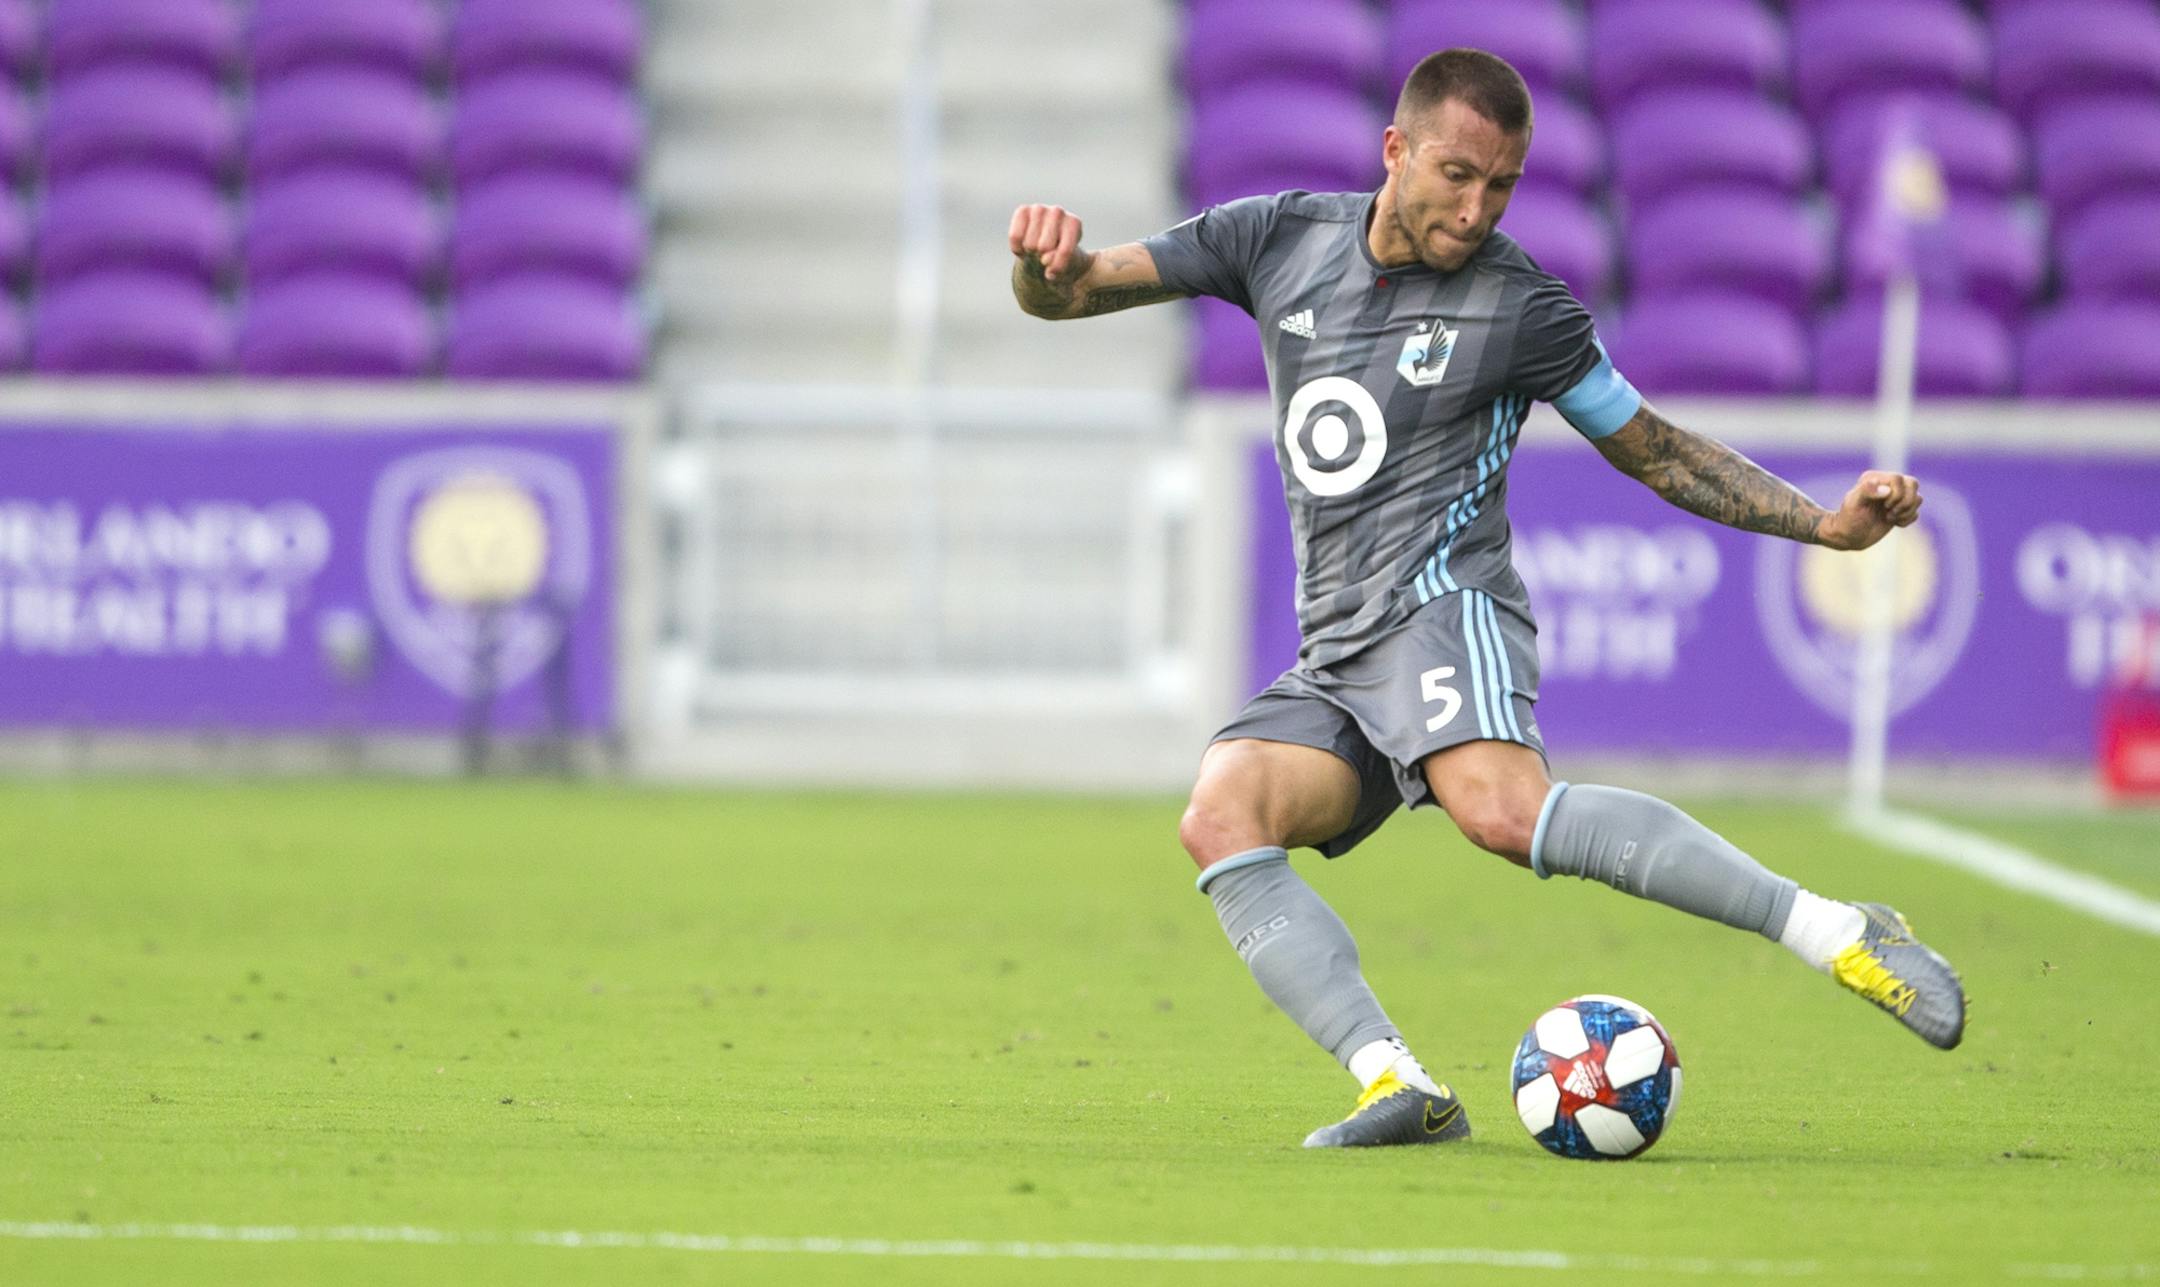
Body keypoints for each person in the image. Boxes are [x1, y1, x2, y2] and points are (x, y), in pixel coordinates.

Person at [1007, 48, 1966, 1149]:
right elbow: (1072, 293)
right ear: (1395, 151)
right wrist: (1042, 267)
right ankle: (1398, 1087)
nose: (1476, 208)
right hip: (1340, 651)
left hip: (1444, 606)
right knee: (1222, 815)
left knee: (1502, 813)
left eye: (1501, 184)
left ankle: (1838, 930)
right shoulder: (1274, 237)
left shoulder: (1520, 308)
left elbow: (1657, 452)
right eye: (1456, 175)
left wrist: (1824, 527)